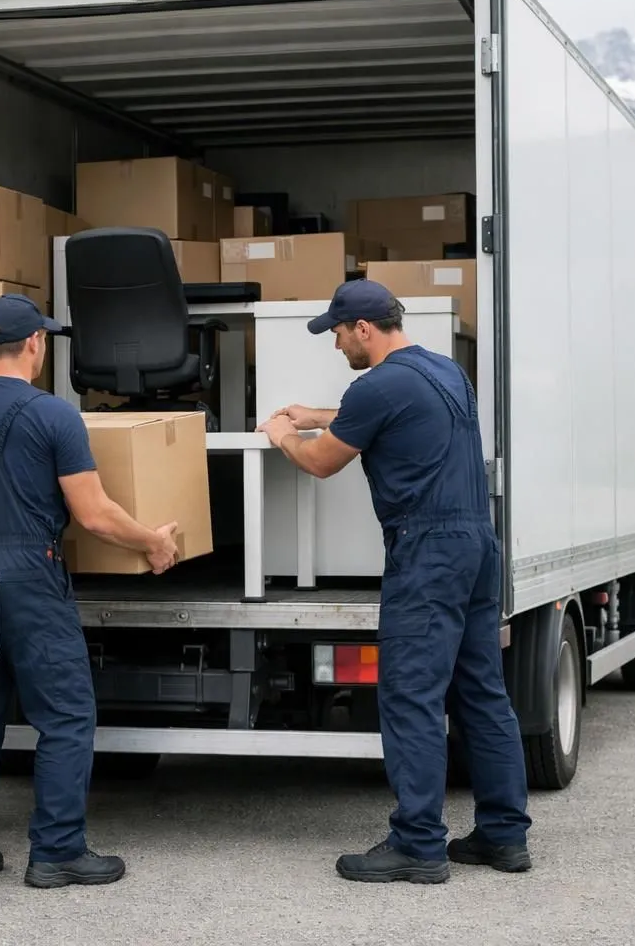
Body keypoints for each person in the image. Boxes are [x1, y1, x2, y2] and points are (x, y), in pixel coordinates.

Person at [256, 279, 532, 885]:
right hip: (477, 545)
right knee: (482, 692)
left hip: (427, 552)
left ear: (363, 329)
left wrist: (284, 435)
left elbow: (323, 461)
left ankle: (417, 845)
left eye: (336, 332)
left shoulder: (376, 384)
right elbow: (387, 415)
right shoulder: (445, 372)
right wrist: (318, 413)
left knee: (410, 695)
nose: (334, 346)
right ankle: (504, 837)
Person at [0, 293, 181, 890]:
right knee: (67, 715)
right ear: (36, 345)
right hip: (26, 575)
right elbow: (93, 514)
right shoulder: (53, 416)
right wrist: (152, 541)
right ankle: (57, 852)